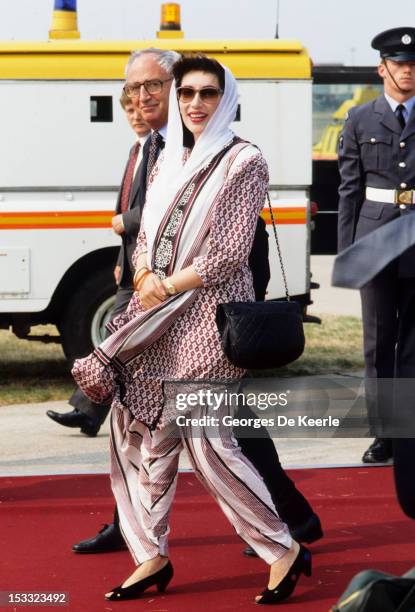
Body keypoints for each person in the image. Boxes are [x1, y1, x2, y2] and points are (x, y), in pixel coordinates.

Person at [73, 53, 312, 605]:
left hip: (205, 320)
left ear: (225, 98)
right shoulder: (167, 158)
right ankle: (149, 554)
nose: (196, 103)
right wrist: (141, 275)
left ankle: (282, 547)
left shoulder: (242, 159)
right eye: (187, 94)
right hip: (152, 321)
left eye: (207, 93)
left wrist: (166, 284)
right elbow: (145, 234)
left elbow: (229, 253)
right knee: (138, 436)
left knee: (208, 444)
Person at [46, 91, 151, 438]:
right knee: (113, 338)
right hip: (132, 265)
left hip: (151, 265)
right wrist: (121, 260)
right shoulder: (135, 150)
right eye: (130, 110)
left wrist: (126, 221)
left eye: (141, 109)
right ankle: (89, 411)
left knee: (123, 341)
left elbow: (159, 207)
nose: (136, 115)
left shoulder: (157, 151)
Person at [337, 27, 415, 464]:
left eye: (414, 65)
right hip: (376, 241)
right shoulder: (358, 118)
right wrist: (348, 252)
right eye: (400, 64)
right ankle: (384, 433)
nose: (407, 71)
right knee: (379, 342)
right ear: (381, 68)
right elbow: (349, 191)